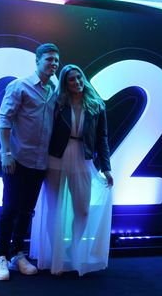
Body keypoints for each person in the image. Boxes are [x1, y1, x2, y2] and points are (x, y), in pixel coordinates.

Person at [30, 64, 114, 276]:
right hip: (56, 157)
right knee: (53, 209)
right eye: (71, 79)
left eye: (79, 78)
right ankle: (55, 257)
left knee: (83, 210)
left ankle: (75, 251)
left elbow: (102, 138)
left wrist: (107, 168)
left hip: (82, 157)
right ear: (65, 84)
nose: (77, 82)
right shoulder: (57, 104)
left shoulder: (96, 105)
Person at [0, 43, 60, 281]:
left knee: (27, 211)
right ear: (38, 60)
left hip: (40, 162)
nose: (53, 63)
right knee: (9, 209)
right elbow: (4, 120)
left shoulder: (54, 90)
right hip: (17, 159)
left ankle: (17, 254)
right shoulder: (20, 85)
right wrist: (6, 153)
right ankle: (0, 257)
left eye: (56, 60)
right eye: (49, 59)